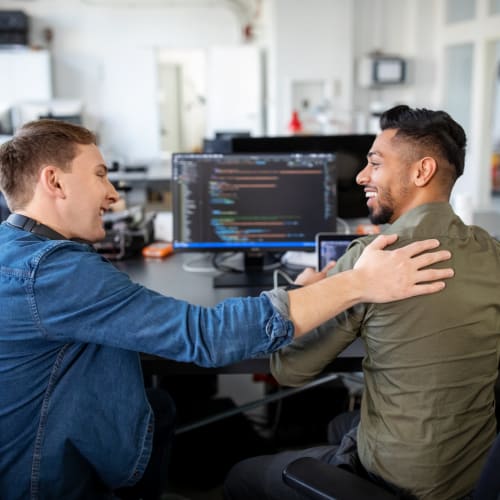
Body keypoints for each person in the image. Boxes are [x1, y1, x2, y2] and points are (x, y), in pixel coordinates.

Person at [0, 119, 454, 500]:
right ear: (54, 181)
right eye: (100, 174)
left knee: (158, 406)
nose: (114, 193)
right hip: (36, 477)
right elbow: (206, 336)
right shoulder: (55, 273)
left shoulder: (17, 250)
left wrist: (301, 292)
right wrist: (358, 282)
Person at [223, 105, 500, 500]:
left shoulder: (374, 256)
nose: (360, 176)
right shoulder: (493, 253)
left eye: (375, 163)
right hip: (474, 475)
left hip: (398, 482)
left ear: (421, 172)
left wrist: (306, 292)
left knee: (242, 477)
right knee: (344, 423)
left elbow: (290, 368)